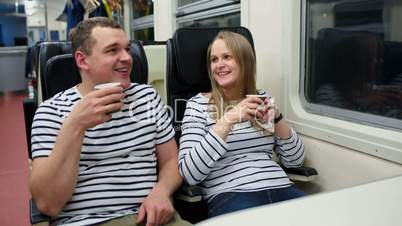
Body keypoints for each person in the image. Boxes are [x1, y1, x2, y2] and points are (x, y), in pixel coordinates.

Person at [30, 17, 191, 226]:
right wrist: (76, 125)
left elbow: (171, 160)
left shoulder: (147, 97)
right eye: (113, 50)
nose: (127, 57)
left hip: (151, 218)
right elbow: (48, 204)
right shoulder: (51, 112)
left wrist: (162, 191)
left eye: (127, 48)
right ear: (82, 60)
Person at [178, 31, 306, 217]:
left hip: (281, 187)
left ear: (245, 62)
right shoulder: (197, 105)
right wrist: (228, 119)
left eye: (227, 57)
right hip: (232, 195)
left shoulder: (260, 99)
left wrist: (277, 118)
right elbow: (189, 173)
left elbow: (295, 160)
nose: (219, 65)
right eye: (214, 60)